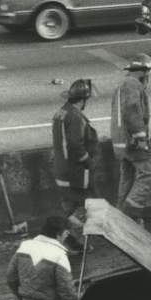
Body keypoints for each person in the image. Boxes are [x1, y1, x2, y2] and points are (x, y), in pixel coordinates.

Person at [52, 78, 100, 252]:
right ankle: (74, 241)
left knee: (69, 205)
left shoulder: (61, 113)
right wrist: (88, 160)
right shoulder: (75, 116)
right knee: (90, 203)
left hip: (61, 170)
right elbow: (75, 144)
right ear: (82, 99)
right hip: (75, 173)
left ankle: (64, 239)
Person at [111, 53, 151, 224]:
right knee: (148, 173)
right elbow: (132, 111)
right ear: (143, 72)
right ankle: (130, 214)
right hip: (132, 142)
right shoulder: (132, 85)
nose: (148, 77)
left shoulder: (123, 85)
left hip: (121, 143)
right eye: (148, 73)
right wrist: (141, 138)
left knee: (128, 177)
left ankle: (120, 215)